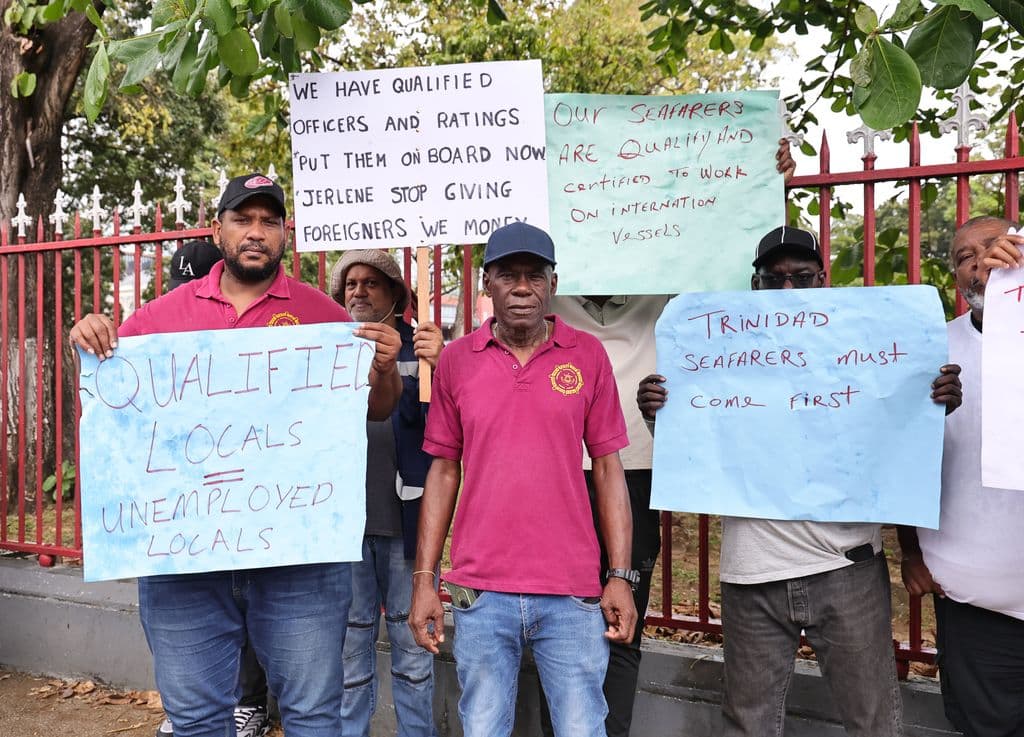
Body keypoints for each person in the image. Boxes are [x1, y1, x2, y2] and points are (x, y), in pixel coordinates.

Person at [69, 173, 403, 737]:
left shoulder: (325, 317)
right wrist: (91, 340)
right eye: (242, 219)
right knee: (197, 720)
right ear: (217, 229)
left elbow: (378, 409)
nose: (256, 232)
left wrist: (385, 368)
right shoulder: (156, 320)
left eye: (269, 221)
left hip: (300, 561)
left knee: (313, 717)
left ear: (284, 234)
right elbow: (114, 413)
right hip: (184, 564)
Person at [638, 225, 962, 737]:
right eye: (774, 279)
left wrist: (933, 405)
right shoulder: (719, 352)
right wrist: (660, 412)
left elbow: (898, 436)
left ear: (822, 280)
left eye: (801, 276)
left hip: (847, 568)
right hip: (752, 573)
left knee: (874, 721)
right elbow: (699, 446)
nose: (787, 289)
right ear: (756, 285)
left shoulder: (869, 343)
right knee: (748, 724)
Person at [542, 139, 798, 737]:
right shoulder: (547, 290)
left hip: (635, 471)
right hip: (554, 471)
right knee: (556, 621)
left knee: (621, 619)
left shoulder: (665, 288)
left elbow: (730, 261)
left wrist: (769, 190)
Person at [408, 221, 638, 737]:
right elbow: (443, 470)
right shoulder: (456, 362)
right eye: (507, 275)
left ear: (552, 284)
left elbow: (608, 468)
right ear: (486, 283)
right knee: (483, 727)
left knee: (582, 728)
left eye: (534, 276)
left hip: (572, 591)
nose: (521, 288)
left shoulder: (587, 356)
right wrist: (425, 580)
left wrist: (620, 576)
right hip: (481, 589)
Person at [898, 216, 1024, 737]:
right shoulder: (933, 349)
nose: (979, 264)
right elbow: (899, 456)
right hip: (973, 601)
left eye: (993, 248)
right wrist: (910, 551)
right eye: (963, 258)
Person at [157, 239, 272, 737]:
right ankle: (198, 707)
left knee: (246, 602)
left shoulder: (262, 335)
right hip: (190, 510)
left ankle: (248, 702)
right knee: (192, 613)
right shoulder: (161, 334)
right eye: (177, 288)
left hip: (255, 504)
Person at [328, 249, 443, 737]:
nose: (359, 291)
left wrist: (441, 363)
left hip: (406, 530)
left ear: (396, 294)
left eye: (372, 283)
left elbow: (447, 430)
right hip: (344, 529)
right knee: (349, 656)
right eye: (351, 284)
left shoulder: (425, 351)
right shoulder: (326, 349)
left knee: (413, 654)